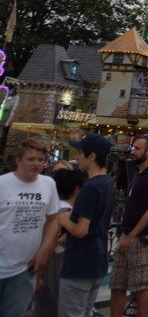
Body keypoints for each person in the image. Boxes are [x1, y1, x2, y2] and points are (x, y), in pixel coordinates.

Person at [0, 140, 62, 317]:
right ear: (18, 160)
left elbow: (53, 220)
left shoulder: (48, 184)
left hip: (24, 269)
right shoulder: (2, 183)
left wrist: (44, 250)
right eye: (31, 159)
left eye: (40, 159)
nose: (36, 164)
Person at [56, 133, 116, 317]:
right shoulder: (107, 184)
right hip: (97, 260)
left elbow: (81, 230)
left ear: (92, 156)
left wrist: (61, 218)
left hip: (80, 263)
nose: (76, 156)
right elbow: (109, 220)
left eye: (80, 152)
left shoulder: (90, 187)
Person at [110, 134, 148, 317]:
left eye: (137, 149)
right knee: (117, 283)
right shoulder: (138, 173)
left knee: (141, 286)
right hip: (129, 234)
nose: (132, 151)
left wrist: (132, 235)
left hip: (142, 237)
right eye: (133, 148)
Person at [34, 166, 82, 317]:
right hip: (55, 259)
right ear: (77, 189)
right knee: (53, 302)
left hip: (51, 258)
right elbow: (54, 239)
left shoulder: (57, 207)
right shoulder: (65, 210)